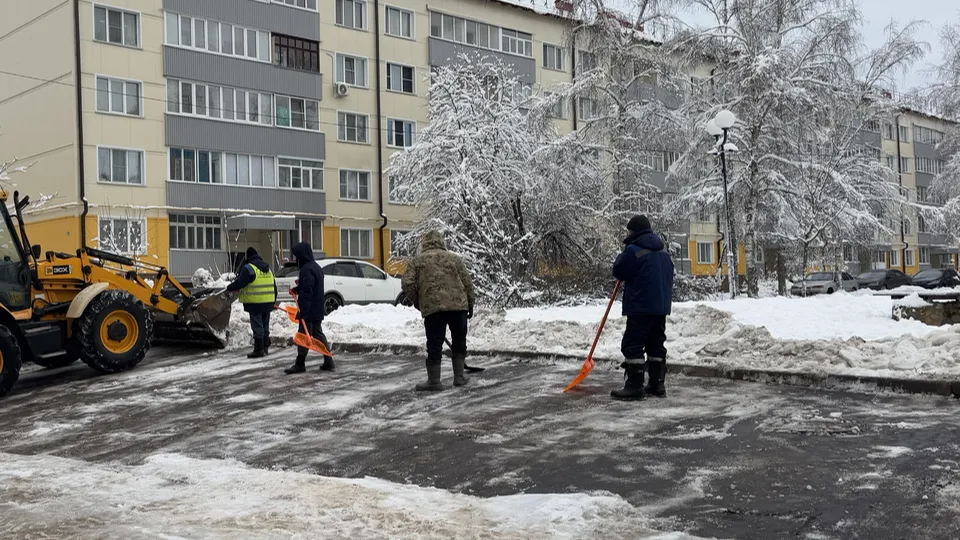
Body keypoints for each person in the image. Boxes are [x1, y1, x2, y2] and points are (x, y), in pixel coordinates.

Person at [402, 230, 476, 391]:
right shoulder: (454, 258)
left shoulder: (418, 261)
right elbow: (468, 283)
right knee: (459, 340)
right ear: (441, 242)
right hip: (458, 306)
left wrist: (419, 301)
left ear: (425, 244)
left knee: (434, 344)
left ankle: (434, 381)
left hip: (434, 307)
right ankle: (459, 377)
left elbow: (407, 283)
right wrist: (470, 304)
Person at [610, 215, 674, 401]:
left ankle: (634, 386)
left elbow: (619, 270)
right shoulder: (663, 250)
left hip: (640, 306)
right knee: (656, 343)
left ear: (634, 231)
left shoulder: (634, 249)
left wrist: (625, 254)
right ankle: (657, 384)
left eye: (629, 230)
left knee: (632, 344)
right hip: (660, 306)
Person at [284, 241, 334, 375]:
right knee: (317, 334)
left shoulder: (306, 269)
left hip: (309, 310)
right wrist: (297, 289)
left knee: (303, 336)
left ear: (302, 255)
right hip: (316, 308)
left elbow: (307, 293)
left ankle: (300, 364)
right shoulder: (315, 267)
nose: (296, 259)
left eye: (297, 256)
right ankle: (328, 360)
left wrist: (303, 312)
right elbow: (308, 286)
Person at [226, 247, 278, 359]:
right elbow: (274, 287)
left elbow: (240, 283)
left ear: (248, 257)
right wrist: (273, 301)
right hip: (268, 302)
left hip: (255, 302)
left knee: (257, 326)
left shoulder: (249, 268)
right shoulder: (268, 269)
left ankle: (258, 350)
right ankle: (265, 348)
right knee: (265, 325)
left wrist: (229, 287)